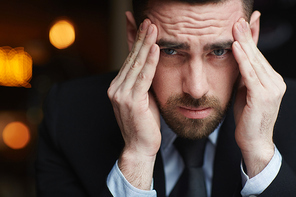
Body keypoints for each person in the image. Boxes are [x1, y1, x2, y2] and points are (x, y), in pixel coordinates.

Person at [36, 0, 296, 196]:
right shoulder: (68, 116)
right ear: (132, 34)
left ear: (252, 35)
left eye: (219, 51)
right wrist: (136, 159)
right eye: (171, 51)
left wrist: (261, 155)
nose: (196, 89)